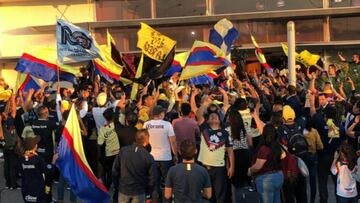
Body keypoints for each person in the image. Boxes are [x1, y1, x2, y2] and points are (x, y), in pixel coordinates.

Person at [196, 97, 234, 203]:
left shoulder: (225, 133)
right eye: (211, 116)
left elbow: (230, 151)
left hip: (219, 168)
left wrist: (231, 167)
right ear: (207, 120)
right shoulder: (204, 130)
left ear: (219, 121)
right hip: (205, 167)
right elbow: (198, 114)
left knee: (220, 194)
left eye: (216, 116)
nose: (214, 117)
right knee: (208, 195)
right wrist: (205, 103)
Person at [144, 105, 177, 203]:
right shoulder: (167, 125)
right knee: (168, 183)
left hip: (151, 157)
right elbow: (173, 142)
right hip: (166, 157)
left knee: (154, 183)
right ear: (161, 114)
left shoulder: (146, 124)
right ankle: (167, 201)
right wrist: (175, 154)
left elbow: (144, 141)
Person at [112, 129, 155, 203]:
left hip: (123, 190)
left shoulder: (123, 151)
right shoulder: (148, 157)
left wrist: (117, 186)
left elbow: (115, 170)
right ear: (146, 140)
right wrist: (148, 195)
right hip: (139, 192)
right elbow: (152, 179)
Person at [248, 124, 284, 203]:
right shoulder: (278, 146)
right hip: (279, 176)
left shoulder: (264, 148)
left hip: (266, 180)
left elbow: (258, 166)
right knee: (277, 200)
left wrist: (250, 170)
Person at [19, 136, 57, 203]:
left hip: (26, 188)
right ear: (35, 146)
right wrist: (53, 161)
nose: (37, 144)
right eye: (36, 143)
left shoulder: (21, 158)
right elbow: (48, 170)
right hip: (38, 189)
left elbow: (18, 171)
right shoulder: (38, 159)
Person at [226, 109, 252, 202]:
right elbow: (250, 142)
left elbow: (227, 146)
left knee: (236, 182)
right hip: (245, 154)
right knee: (246, 178)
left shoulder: (228, 130)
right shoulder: (245, 126)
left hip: (234, 155)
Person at [97, 108, 120, 190]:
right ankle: (115, 185)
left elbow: (100, 143)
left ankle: (107, 186)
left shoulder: (103, 129)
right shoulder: (118, 125)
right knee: (116, 170)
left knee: (109, 170)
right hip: (118, 152)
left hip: (109, 153)